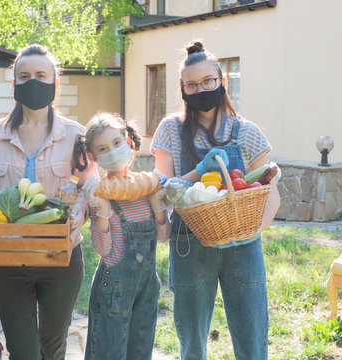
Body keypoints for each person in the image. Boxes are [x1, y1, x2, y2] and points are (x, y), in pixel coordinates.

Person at [0, 44, 96, 360]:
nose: (32, 81)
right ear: (14, 84)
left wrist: (80, 211)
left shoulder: (77, 136)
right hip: (8, 261)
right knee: (22, 351)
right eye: (24, 76)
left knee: (53, 348)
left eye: (40, 75)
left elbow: (91, 187)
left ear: (55, 83)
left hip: (62, 259)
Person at [151, 40, 281, 359]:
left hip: (243, 245)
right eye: (192, 84)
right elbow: (164, 189)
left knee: (252, 339)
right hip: (189, 242)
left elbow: (272, 194)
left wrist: (249, 232)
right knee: (192, 342)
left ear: (222, 81)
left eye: (208, 81)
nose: (200, 89)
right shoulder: (170, 129)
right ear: (182, 89)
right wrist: (198, 171)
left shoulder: (246, 131)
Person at [72, 112, 171, 360]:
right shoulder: (98, 192)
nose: (113, 151)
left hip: (147, 285)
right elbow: (103, 250)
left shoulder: (145, 185)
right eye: (103, 149)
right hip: (113, 287)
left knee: (140, 352)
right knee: (109, 354)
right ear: (94, 157)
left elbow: (163, 236)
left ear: (127, 141)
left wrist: (158, 206)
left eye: (117, 143)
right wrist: (102, 213)